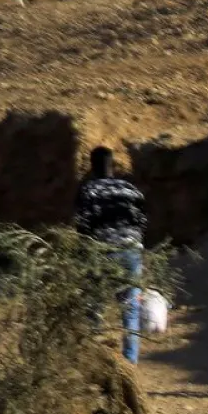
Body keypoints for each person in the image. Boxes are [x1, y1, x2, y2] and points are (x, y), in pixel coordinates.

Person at [75, 146, 147, 364]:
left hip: (102, 251)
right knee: (131, 308)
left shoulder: (89, 190)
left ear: (92, 166)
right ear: (112, 164)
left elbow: (83, 224)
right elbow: (142, 222)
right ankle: (130, 363)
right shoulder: (131, 189)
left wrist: (81, 254)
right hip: (131, 250)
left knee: (94, 306)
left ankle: (92, 359)